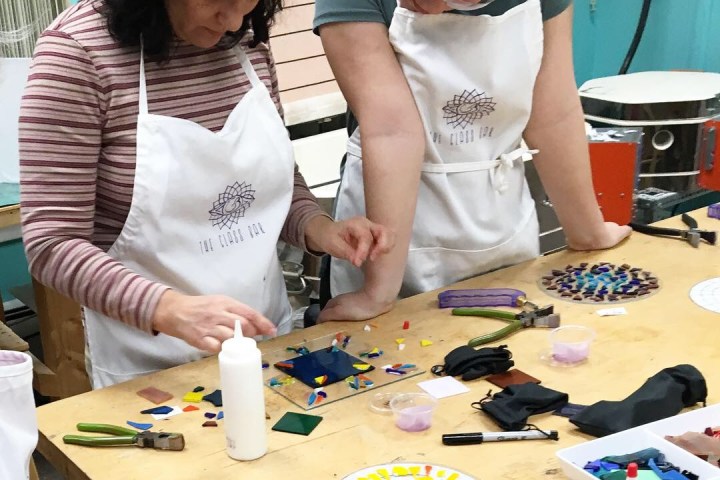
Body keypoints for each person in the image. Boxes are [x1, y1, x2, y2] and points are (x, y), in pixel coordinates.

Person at [18, 0, 392, 388]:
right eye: (221, 1)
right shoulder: (76, 56)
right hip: (150, 367)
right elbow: (52, 244)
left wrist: (317, 228)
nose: (233, 22)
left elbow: (273, 177)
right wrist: (166, 308)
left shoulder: (244, 39)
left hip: (268, 344)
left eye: (248, 5)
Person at [313, 0, 632, 323]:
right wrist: (378, 291)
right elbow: (392, 132)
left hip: (500, 217)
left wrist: (587, 232)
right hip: (393, 228)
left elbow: (553, 113)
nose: (423, 8)